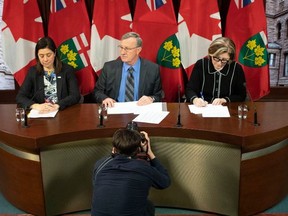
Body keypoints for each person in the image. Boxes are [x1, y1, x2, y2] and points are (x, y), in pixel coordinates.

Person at [91, 128, 171, 216]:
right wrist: (149, 152)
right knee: (149, 206)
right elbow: (165, 182)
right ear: (137, 150)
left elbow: (97, 184)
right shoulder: (144, 168)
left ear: (114, 148)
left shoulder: (100, 164)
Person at [94, 32, 162, 107]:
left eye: (127, 49)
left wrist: (151, 98)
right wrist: (105, 98)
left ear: (138, 50)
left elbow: (158, 95)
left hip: (141, 112)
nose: (122, 52)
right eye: (121, 47)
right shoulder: (109, 67)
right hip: (115, 111)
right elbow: (97, 91)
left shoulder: (152, 69)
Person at [16, 36, 81, 113]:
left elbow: (75, 95)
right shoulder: (33, 72)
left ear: (55, 53)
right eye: (41, 56)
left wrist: (58, 105)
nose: (45, 59)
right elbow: (20, 97)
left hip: (62, 112)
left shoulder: (67, 70)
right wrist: (35, 106)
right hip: (41, 113)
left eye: (48, 55)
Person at [185, 37, 247, 107]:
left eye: (224, 60)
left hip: (227, 110)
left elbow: (241, 95)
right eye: (216, 58)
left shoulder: (236, 68)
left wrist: (224, 100)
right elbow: (190, 89)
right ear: (211, 54)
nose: (219, 64)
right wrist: (195, 100)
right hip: (202, 108)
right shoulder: (201, 64)